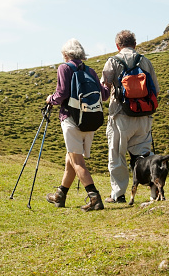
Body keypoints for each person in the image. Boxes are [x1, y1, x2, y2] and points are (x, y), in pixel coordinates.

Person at [45, 38, 109, 211]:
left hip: (71, 119)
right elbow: (104, 95)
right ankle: (60, 195)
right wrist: (107, 83)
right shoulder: (90, 71)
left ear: (66, 54)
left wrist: (50, 99)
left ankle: (94, 197)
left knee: (77, 161)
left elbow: (62, 94)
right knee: (70, 159)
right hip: (89, 120)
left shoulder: (64, 68)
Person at [101, 30, 160, 203]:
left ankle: (118, 194)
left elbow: (104, 89)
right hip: (143, 116)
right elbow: (155, 90)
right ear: (135, 44)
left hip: (120, 116)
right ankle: (153, 188)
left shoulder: (112, 61)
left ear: (118, 46)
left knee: (117, 155)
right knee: (143, 155)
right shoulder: (145, 61)